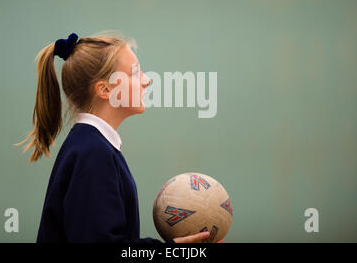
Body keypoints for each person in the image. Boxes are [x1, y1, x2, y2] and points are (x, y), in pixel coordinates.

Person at [15, 31, 213, 243]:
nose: (146, 81)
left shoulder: (90, 146)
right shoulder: (93, 154)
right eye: (135, 73)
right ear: (105, 89)